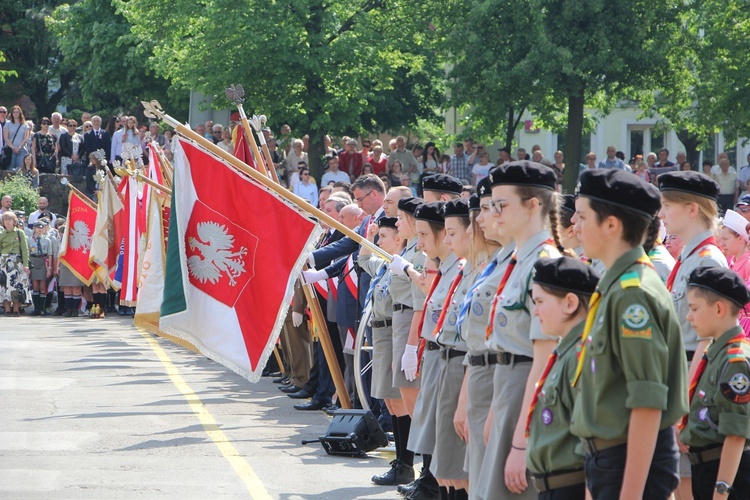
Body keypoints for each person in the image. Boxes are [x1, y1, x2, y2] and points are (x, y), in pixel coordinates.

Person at [570, 168, 687, 498]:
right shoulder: (616, 285)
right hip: (610, 456)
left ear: (611, 224)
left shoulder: (632, 294)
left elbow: (647, 402)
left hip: (629, 460)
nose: (574, 226)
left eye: (581, 217)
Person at [476, 161, 563, 500]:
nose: (494, 212)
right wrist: (497, 413)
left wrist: (520, 442)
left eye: (501, 204)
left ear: (532, 205)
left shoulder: (544, 264)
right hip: (507, 388)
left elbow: (542, 363)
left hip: (525, 391)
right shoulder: (517, 260)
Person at [658, 170, 727, 496]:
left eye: (667, 205)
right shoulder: (689, 258)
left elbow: (708, 338)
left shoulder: (706, 261)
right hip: (681, 373)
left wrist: (681, 403)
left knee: (689, 485)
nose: (661, 213)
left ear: (692, 209)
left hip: (694, 376)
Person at [397, 201, 459, 500]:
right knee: (436, 440)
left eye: (423, 235)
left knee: (450, 452)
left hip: (453, 360)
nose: (418, 242)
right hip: (436, 354)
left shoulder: (458, 270)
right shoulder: (445, 268)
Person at [525, 257, 600, 500]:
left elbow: (593, 442)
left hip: (571, 487)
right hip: (552, 485)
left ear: (570, 303)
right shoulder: (565, 352)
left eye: (539, 301)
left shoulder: (581, 356)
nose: (535, 310)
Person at [681, 266, 750, 499]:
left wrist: (721, 490)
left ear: (719, 309)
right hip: (706, 466)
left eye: (694, 308)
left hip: (726, 472)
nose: (689, 316)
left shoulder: (735, 361)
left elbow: (736, 434)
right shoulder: (716, 351)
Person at [359, 216, 413, 486]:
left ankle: (406, 463)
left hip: (395, 331)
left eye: (383, 236)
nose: (379, 241)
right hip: (381, 333)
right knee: (390, 402)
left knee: (400, 401)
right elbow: (363, 259)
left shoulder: (404, 266)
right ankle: (401, 461)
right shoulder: (385, 265)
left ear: (399, 239)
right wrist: (368, 236)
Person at [431, 198, 474, 499]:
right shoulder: (464, 269)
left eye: (452, 232)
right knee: (448, 463)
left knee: (462, 467)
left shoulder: (479, 271)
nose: (446, 239)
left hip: (466, 365)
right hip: (449, 360)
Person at [718, 209, 750, 335]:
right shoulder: (729, 261)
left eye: (726, 239)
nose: (722, 243)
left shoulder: (748, 263)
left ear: (741, 239)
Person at [0, 211, 30, 316]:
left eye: (9, 220)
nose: (7, 222)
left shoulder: (20, 233)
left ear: (14, 221)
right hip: (4, 261)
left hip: (17, 261)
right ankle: (7, 309)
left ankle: (16, 309)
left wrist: (26, 264)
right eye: (5, 220)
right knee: (4, 286)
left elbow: (25, 250)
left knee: (16, 285)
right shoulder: (1, 234)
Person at [27, 219, 53, 316]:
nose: (39, 229)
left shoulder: (46, 240)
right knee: (35, 286)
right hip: (33, 261)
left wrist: (49, 267)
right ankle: (36, 308)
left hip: (43, 262)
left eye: (41, 227)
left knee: (42, 286)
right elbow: (28, 253)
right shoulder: (29, 239)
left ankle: (42, 308)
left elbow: (50, 254)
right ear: (34, 228)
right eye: (37, 227)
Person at [3, 105, 31, 171]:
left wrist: (19, 147)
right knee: (10, 169)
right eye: (14, 112)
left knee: (20, 170)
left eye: (17, 112)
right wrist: (13, 147)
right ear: (12, 113)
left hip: (21, 150)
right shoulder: (8, 124)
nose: (15, 114)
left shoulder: (25, 125)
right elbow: (6, 138)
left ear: (20, 113)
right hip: (10, 149)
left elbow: (26, 138)